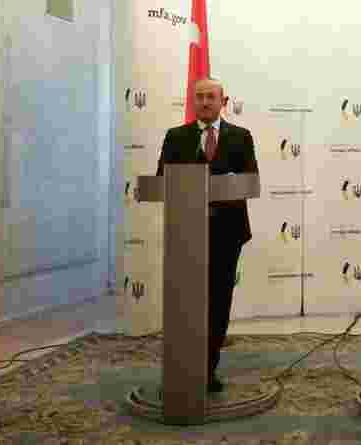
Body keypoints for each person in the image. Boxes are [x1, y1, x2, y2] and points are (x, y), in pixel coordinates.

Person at [156, 78, 259, 393]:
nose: (204, 101)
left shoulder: (241, 137)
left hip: (228, 232)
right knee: (185, 302)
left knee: (218, 301)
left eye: (211, 96)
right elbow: (161, 180)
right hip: (186, 232)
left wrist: (226, 182)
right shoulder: (176, 136)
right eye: (199, 96)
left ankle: (208, 368)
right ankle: (183, 367)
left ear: (222, 101)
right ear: (193, 101)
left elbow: (251, 180)